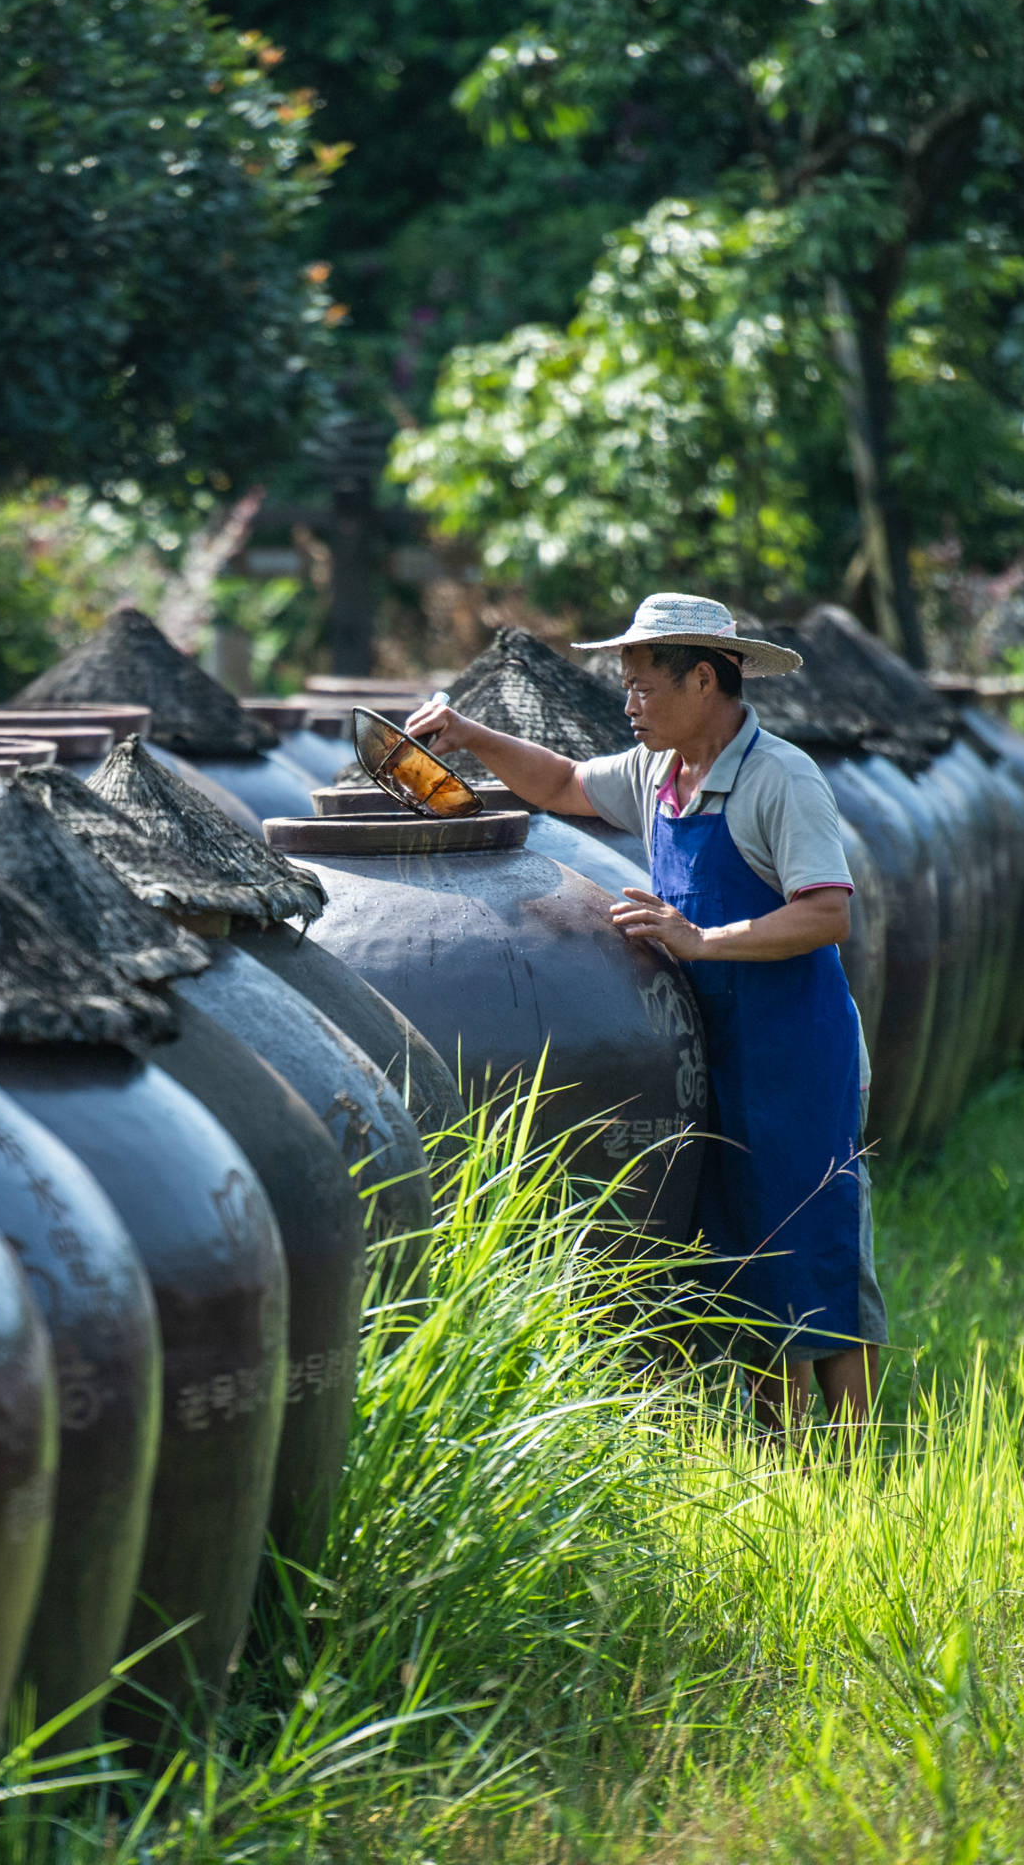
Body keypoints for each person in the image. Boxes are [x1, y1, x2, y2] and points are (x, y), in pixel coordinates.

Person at [407, 593, 882, 1431]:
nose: (628, 705)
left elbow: (826, 912)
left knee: (819, 1252)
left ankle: (865, 1459)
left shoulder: (779, 778)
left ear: (705, 679)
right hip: (715, 1051)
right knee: (747, 1256)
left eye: (642, 688)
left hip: (795, 1056)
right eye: (625, 688)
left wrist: (699, 940)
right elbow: (557, 783)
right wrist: (470, 735)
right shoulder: (658, 775)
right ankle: (789, 1458)